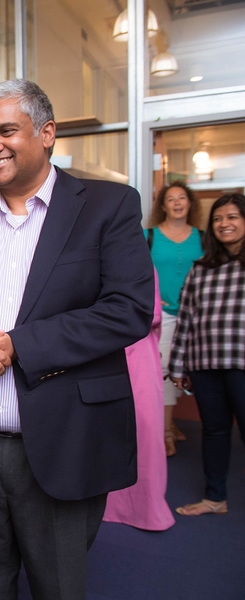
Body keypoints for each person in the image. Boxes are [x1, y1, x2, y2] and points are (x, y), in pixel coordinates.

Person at [0, 79, 154, 600]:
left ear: (47, 134)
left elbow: (127, 310)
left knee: (58, 588)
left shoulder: (107, 207)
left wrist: (21, 345)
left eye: (6, 131)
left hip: (63, 442)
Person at [169, 193, 245, 517]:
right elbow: (185, 318)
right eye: (217, 219)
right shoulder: (201, 269)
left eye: (232, 217)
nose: (224, 224)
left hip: (241, 363)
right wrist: (177, 365)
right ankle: (215, 498)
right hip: (204, 363)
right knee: (214, 432)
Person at [102, 269, 175, 531]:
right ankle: (104, 504)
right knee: (103, 429)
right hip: (100, 351)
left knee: (144, 429)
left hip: (137, 354)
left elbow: (151, 312)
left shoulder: (143, 264)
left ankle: (145, 508)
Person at [147, 181, 204, 456]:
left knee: (188, 370)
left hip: (199, 316)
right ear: (163, 206)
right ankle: (165, 431)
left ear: (190, 203)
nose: (177, 202)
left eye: (182, 197)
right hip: (164, 316)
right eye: (171, 199)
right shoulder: (150, 236)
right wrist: (153, 300)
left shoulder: (204, 238)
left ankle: (172, 424)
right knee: (166, 371)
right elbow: (139, 274)